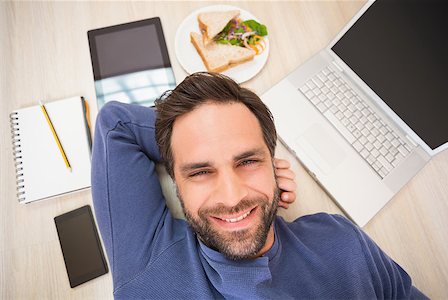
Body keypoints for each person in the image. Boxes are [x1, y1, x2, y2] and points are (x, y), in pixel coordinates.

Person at [91, 72, 427, 299]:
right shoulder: (148, 264)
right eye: (199, 171)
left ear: (273, 163)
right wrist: (191, 138)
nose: (233, 195)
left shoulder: (343, 243)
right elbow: (116, 124)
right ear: (176, 180)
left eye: (248, 162)